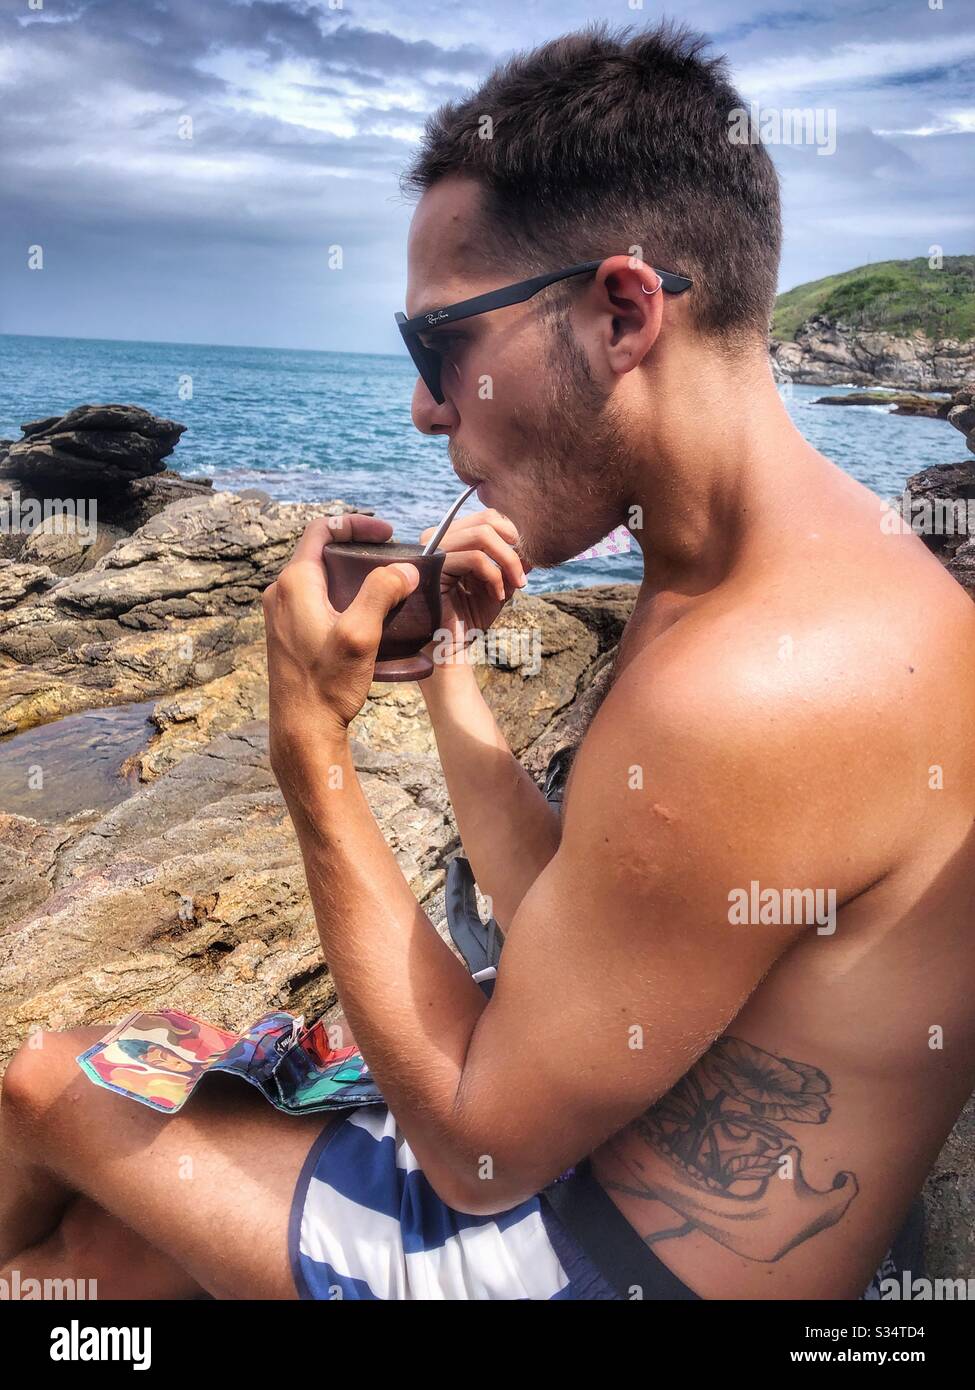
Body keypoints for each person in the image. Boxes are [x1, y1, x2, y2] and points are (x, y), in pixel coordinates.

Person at [2, 21, 974, 1301]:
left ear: (623, 310)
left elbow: (473, 1146)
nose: (422, 405)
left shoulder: (763, 681)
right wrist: (451, 665)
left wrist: (310, 742)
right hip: (593, 1173)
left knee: (36, 1089)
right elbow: (582, 908)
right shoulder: (740, 565)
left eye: (439, 345)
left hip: (597, 1260)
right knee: (108, 1265)